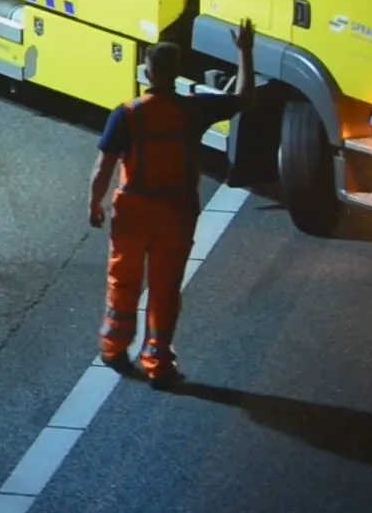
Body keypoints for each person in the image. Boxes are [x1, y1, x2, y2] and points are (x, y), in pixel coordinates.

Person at [89, 20, 256, 389]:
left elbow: (104, 166)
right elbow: (245, 98)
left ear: (148, 73)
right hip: (177, 212)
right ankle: (158, 362)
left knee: (123, 280)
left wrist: (94, 203)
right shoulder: (194, 110)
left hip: (134, 210)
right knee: (165, 289)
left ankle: (114, 349)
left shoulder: (127, 114)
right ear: (176, 73)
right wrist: (245, 52)